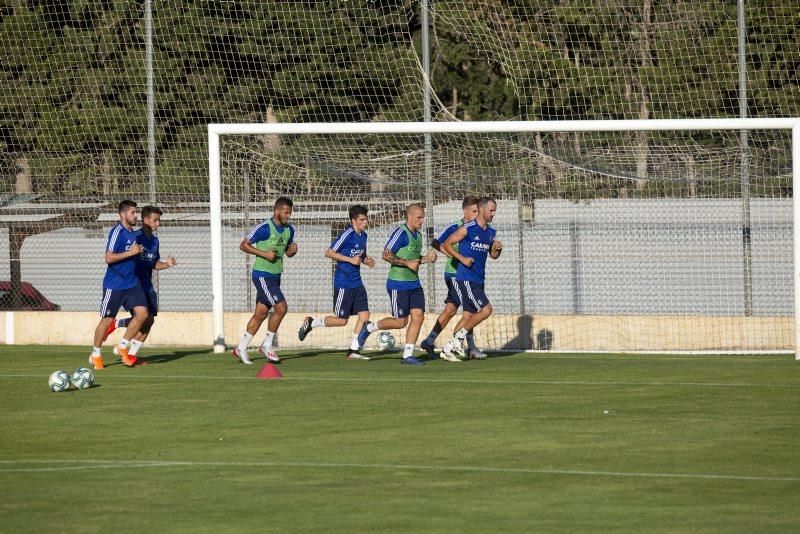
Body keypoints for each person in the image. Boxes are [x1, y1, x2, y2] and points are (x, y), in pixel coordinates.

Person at [356, 203, 437, 365]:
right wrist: (406, 263)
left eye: (423, 217)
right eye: (419, 217)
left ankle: (407, 355)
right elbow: (386, 255)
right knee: (401, 322)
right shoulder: (401, 232)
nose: (422, 221)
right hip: (398, 284)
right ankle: (369, 327)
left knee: (418, 316)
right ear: (410, 216)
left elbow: (413, 259)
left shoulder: (419, 236)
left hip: (414, 284)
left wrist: (426, 258)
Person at [298, 205, 376, 360]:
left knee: (365, 315)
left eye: (366, 218)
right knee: (342, 321)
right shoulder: (347, 234)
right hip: (343, 283)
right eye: (362, 219)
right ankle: (312, 323)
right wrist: (350, 260)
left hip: (357, 283)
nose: (366, 222)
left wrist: (366, 260)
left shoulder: (364, 236)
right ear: (354, 220)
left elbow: (360, 256)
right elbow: (329, 252)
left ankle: (353, 350)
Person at [103, 205, 177, 359]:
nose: (158, 224)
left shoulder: (155, 241)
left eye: (159, 220)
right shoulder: (134, 237)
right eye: (155, 220)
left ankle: (130, 354)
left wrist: (166, 264)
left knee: (149, 320)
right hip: (134, 285)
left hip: (148, 286)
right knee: (143, 316)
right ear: (145, 220)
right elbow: (124, 258)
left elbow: (153, 263)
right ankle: (123, 347)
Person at [232, 196, 297, 364]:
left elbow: (288, 253)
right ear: (276, 211)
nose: (288, 216)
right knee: (281, 308)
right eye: (285, 212)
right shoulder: (264, 228)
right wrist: (264, 254)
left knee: (260, 313)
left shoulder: (290, 230)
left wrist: (293, 250)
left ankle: (241, 348)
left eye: (290, 213)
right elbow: (243, 245)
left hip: (275, 276)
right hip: (262, 275)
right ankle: (267, 345)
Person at [89, 200, 149, 369]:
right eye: (132, 212)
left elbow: (131, 255)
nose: (135, 215)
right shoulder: (117, 232)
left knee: (143, 314)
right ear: (122, 214)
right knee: (107, 320)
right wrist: (131, 252)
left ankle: (122, 347)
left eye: (135, 212)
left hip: (131, 283)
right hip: (114, 284)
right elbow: (108, 258)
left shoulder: (133, 234)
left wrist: (138, 253)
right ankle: (96, 354)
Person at [441, 197, 503, 360]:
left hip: (479, 279)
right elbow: (446, 244)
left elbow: (493, 256)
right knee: (486, 310)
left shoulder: (491, 232)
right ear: (481, 210)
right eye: (491, 210)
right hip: (466, 278)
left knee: (468, 316)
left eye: (495, 211)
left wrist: (497, 249)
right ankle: (459, 339)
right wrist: (461, 258)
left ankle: (448, 348)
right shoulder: (467, 228)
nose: (493, 214)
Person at [420, 196, 480, 361]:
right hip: (454, 274)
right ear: (465, 211)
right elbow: (436, 242)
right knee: (471, 310)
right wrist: (454, 257)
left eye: (478, 211)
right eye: (474, 211)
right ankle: (468, 347)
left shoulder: (477, 228)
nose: (477, 214)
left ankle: (429, 340)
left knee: (451, 310)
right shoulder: (456, 227)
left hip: (467, 275)